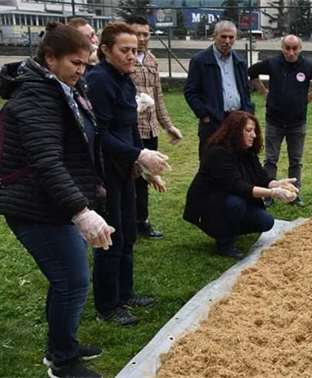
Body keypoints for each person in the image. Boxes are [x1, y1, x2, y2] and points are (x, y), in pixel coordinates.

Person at [0, 22, 112, 378]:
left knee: (68, 278)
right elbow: (47, 161)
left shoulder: (62, 89)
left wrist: (136, 158)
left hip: (55, 202)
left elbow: (85, 140)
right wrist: (81, 211)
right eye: (75, 62)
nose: (81, 70)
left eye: (85, 63)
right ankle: (62, 360)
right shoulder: (36, 97)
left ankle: (63, 344)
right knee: (73, 280)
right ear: (50, 58)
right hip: (36, 207)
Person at [86, 22, 170, 327]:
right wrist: (139, 154)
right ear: (106, 50)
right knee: (112, 236)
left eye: (135, 50)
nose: (133, 56)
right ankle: (107, 306)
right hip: (107, 170)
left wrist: (144, 167)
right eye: (125, 50)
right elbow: (101, 134)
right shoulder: (98, 81)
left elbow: (131, 127)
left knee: (129, 232)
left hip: (126, 169)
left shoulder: (126, 80)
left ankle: (126, 292)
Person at [183, 111, 297, 259]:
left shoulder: (247, 152)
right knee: (236, 202)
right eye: (248, 131)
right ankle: (224, 243)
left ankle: (229, 228)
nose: (254, 135)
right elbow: (239, 187)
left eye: (254, 130)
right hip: (207, 206)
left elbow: (261, 177)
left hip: (228, 201)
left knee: (266, 221)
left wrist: (277, 184)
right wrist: (273, 193)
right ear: (235, 132)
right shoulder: (218, 154)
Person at [248, 34, 312, 207]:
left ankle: (294, 194)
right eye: (287, 48)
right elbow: (252, 72)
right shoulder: (272, 63)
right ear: (282, 49)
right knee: (271, 159)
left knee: (296, 160)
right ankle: (268, 195)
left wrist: (308, 98)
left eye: (295, 48)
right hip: (274, 121)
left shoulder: (307, 66)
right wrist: (264, 92)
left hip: (297, 122)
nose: (291, 52)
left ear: (300, 49)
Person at [126, 15, 184, 239]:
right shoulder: (123, 61)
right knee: (130, 177)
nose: (141, 39)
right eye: (136, 34)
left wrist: (168, 126)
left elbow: (158, 97)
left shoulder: (151, 60)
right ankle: (128, 223)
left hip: (150, 129)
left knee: (146, 177)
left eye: (145, 34)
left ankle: (142, 221)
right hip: (131, 129)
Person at [184, 20, 254, 160]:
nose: (227, 41)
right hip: (213, 121)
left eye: (231, 37)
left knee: (237, 161)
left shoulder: (239, 61)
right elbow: (190, 91)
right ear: (214, 36)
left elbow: (245, 90)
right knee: (211, 161)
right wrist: (204, 114)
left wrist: (247, 112)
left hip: (237, 120)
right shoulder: (200, 60)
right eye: (223, 36)